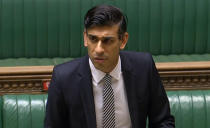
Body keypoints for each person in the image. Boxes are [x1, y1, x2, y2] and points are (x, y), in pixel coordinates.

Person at [44, 4, 175, 128]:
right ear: (85, 38)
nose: (99, 49)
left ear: (123, 40)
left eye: (107, 41)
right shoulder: (63, 77)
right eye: (93, 39)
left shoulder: (143, 67)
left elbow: (163, 121)